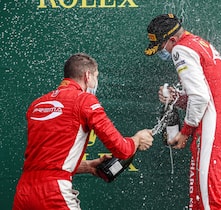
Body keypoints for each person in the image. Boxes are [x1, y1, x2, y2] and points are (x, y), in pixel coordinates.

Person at [13, 53, 154, 209]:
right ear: (88, 76)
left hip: (23, 193)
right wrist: (137, 139)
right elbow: (122, 149)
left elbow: (46, 162)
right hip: (54, 193)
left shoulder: (37, 104)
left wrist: (88, 166)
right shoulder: (84, 100)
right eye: (96, 76)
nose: (96, 82)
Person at [144, 14, 221, 210]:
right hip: (216, 133)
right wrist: (176, 98)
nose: (164, 52)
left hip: (212, 136)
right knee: (198, 205)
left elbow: (201, 98)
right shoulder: (200, 43)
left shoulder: (180, 49)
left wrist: (185, 132)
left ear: (171, 40)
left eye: (162, 47)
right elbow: (208, 96)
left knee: (208, 206)